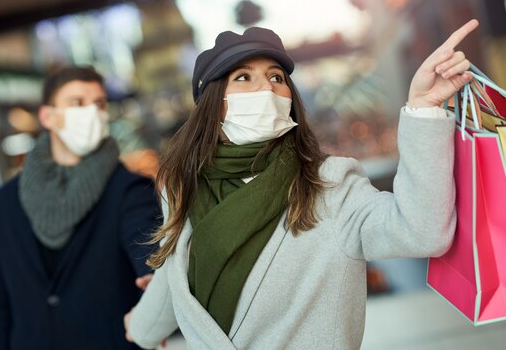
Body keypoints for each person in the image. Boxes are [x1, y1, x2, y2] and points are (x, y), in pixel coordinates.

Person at [124, 22, 479, 350]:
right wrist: (138, 327)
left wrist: (423, 109)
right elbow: (175, 281)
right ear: (212, 104)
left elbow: (422, 231)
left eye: (276, 77)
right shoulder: (185, 192)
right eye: (244, 78)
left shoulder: (330, 186)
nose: (267, 87)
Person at [0, 66, 160, 350]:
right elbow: (3, 300)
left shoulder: (130, 190)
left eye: (99, 104)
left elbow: (146, 248)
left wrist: (154, 280)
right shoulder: (6, 202)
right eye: (77, 103)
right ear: (48, 116)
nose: (92, 113)